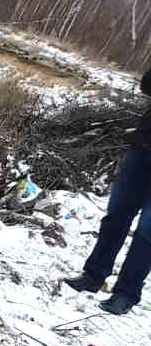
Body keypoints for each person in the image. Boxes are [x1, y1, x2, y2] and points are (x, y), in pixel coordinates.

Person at [64, 67, 151, 315]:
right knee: (116, 216)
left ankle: (126, 293)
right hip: (143, 150)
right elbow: (147, 85)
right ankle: (93, 276)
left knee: (147, 231)